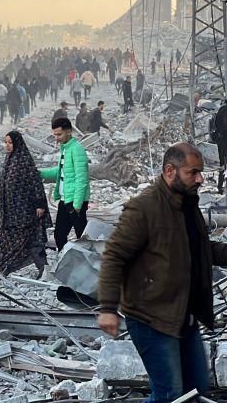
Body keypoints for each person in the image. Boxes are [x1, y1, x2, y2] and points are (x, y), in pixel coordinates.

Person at [97, 143, 227, 402]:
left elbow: (202, 248)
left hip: (182, 317)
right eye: (193, 172)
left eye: (201, 172)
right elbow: (114, 256)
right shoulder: (144, 208)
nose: (200, 179)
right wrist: (108, 308)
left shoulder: (187, 205)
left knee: (196, 391)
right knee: (170, 395)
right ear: (170, 170)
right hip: (151, 318)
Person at [0, 131, 51, 277]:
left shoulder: (24, 161)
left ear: (17, 143)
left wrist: (40, 205)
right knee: (6, 240)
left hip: (24, 211)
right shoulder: (9, 160)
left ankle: (43, 269)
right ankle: (3, 269)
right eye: (6, 142)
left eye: (10, 142)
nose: (7, 146)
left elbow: (35, 183)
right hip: (9, 211)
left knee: (31, 240)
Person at [39, 117, 90, 251]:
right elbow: (61, 172)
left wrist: (77, 204)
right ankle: (68, 261)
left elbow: (82, 179)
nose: (56, 138)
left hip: (74, 201)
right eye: (54, 134)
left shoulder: (77, 150)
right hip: (65, 199)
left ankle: (88, 264)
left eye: (59, 134)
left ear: (69, 131)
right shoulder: (65, 149)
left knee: (82, 236)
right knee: (59, 235)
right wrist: (41, 173)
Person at [215, 101, 227, 193]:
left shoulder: (221, 110)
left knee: (222, 164)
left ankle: (220, 186)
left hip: (221, 140)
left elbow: (215, 125)